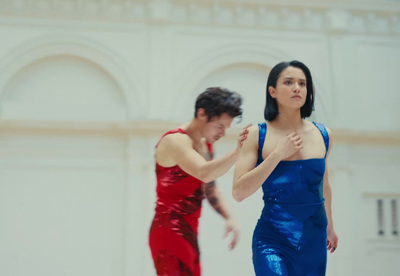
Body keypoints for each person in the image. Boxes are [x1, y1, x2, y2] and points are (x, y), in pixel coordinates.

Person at [233, 60, 338, 275]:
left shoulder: (323, 134)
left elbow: (323, 186)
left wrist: (330, 225)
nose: (297, 88)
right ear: (272, 91)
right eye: (288, 82)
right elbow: (239, 192)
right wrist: (277, 154)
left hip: (314, 237)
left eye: (302, 83)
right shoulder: (256, 134)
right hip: (273, 237)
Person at [149, 87, 249, 276]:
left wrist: (229, 218)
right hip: (168, 230)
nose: (223, 134)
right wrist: (237, 152)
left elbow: (209, 188)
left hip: (190, 232)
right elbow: (204, 173)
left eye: (226, 128)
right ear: (201, 113)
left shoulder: (206, 144)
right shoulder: (175, 141)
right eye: (220, 126)